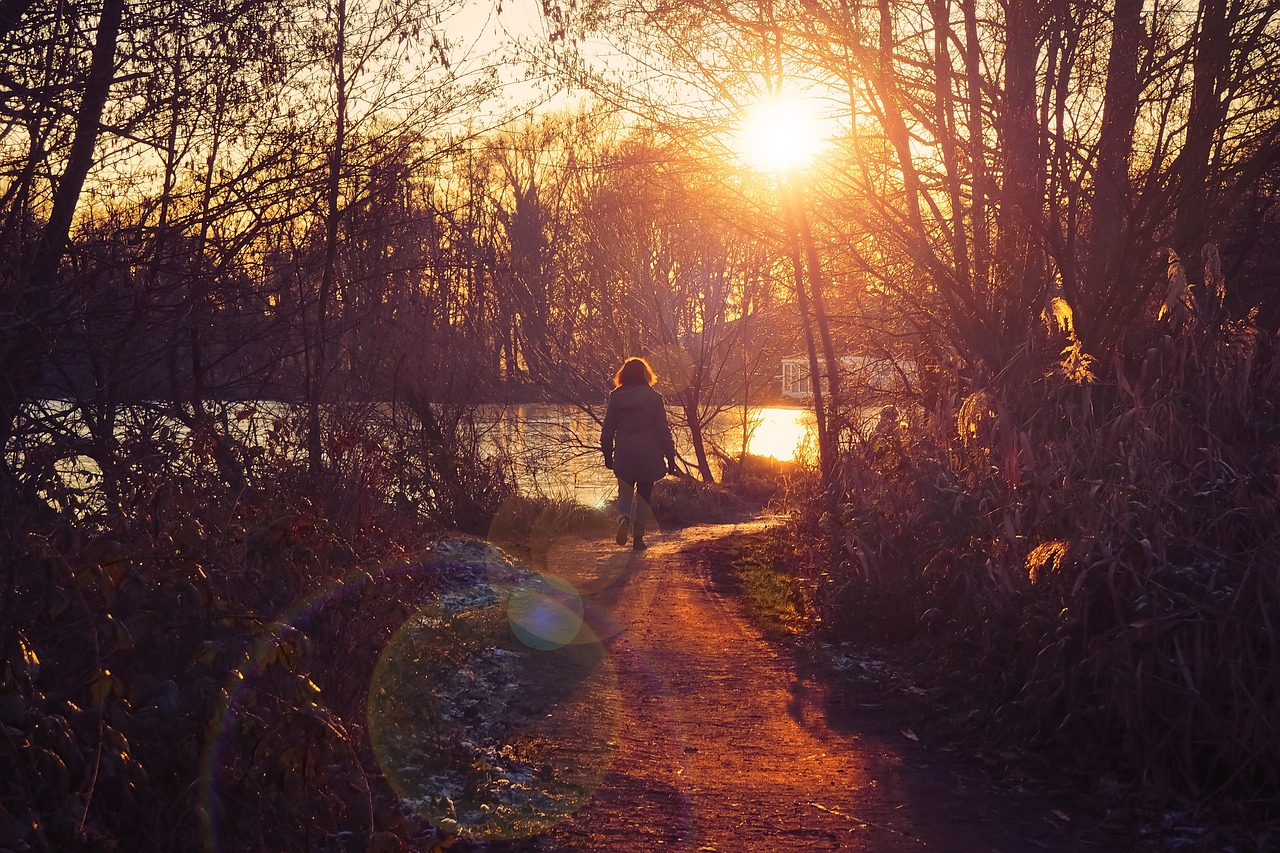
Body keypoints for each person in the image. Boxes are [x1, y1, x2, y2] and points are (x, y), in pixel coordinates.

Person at [600, 357, 677, 550]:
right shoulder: (654, 398)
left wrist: (607, 454)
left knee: (624, 492)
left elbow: (607, 430)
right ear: (646, 375)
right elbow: (662, 430)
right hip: (648, 453)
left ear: (623, 375)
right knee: (644, 495)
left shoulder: (616, 398)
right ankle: (638, 537)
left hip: (625, 452)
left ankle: (624, 517)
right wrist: (670, 455)